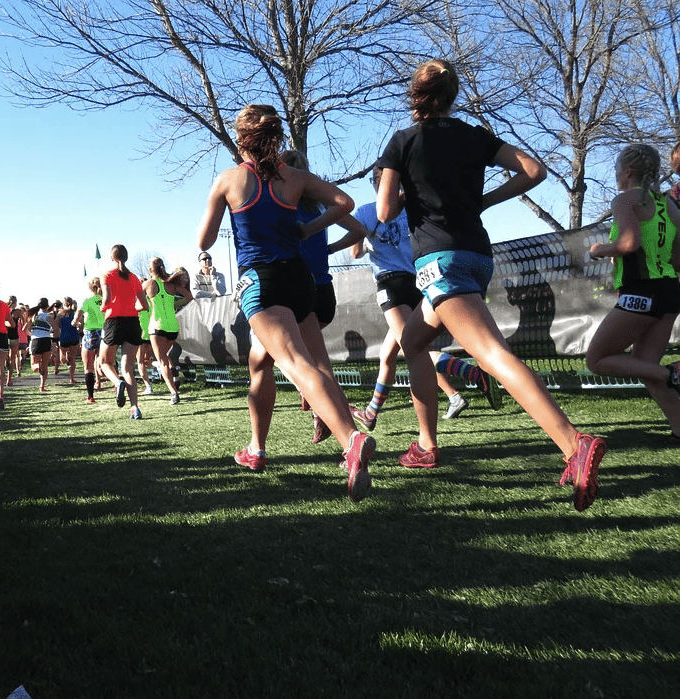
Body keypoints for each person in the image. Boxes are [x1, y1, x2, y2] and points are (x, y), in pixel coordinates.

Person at [379, 58, 604, 511]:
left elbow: (384, 212)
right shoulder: (475, 135)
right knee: (412, 341)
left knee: (494, 353)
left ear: (415, 95)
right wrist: (480, 201)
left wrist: (412, 192)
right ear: (453, 94)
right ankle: (425, 445)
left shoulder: (403, 141)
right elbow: (533, 171)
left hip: (439, 259)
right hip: (476, 256)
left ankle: (572, 443)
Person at [195, 104, 374, 501]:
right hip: (300, 281)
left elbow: (204, 243)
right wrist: (306, 228)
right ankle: (256, 449)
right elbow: (344, 203)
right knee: (269, 362)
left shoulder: (229, 179)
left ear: (240, 138)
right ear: (275, 136)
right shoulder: (294, 176)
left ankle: (351, 441)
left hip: (262, 281)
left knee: (297, 366)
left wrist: (226, 207)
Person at [350, 165, 499, 432]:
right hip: (418, 280)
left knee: (413, 349)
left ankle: (475, 375)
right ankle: (372, 412)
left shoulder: (366, 211)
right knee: (388, 355)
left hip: (390, 285)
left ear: (376, 185)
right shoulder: (412, 209)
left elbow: (354, 252)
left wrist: (369, 243)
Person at [586, 144, 680, 442]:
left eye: (616, 172)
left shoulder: (626, 200)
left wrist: (599, 250)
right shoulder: (669, 205)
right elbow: (678, 259)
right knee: (646, 368)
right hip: (669, 292)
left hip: (642, 293)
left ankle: (674, 374)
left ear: (627, 172)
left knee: (597, 360)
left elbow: (629, 244)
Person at [100, 244, 150, 419]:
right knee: (128, 367)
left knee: (104, 362)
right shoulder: (135, 277)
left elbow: (106, 300)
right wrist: (132, 307)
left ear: (112, 257)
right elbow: (144, 305)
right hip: (133, 323)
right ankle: (135, 408)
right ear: (126, 257)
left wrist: (102, 308)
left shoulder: (107, 275)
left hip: (114, 321)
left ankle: (117, 382)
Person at [144, 258, 193, 404]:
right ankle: (173, 375)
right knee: (162, 359)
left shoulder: (148, 283)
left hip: (156, 326)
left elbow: (137, 303)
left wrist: (143, 306)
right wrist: (175, 304)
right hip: (172, 327)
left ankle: (174, 393)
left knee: (161, 361)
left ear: (150, 269)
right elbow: (189, 297)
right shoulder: (171, 283)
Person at [75, 276, 105, 404]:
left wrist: (74, 322)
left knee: (88, 367)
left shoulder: (88, 300)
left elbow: (78, 313)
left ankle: (90, 396)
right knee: (107, 361)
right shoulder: (105, 299)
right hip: (105, 331)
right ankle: (115, 384)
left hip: (91, 332)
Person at [26, 298, 55, 392]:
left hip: (35, 341)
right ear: (47, 305)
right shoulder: (48, 316)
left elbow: (24, 329)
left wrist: (32, 334)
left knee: (34, 366)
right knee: (45, 365)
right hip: (46, 340)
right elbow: (56, 328)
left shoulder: (33, 316)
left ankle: (38, 366)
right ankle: (42, 386)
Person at [57, 297, 81, 386]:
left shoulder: (61, 313)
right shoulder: (75, 313)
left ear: (64, 304)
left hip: (64, 337)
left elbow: (55, 324)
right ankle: (71, 378)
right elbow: (81, 324)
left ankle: (66, 356)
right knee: (73, 358)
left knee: (62, 359)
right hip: (74, 336)